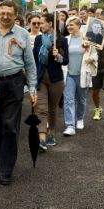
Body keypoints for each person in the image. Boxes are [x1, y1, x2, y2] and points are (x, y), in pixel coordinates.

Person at [0, 0, 37, 185]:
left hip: (14, 84)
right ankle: (0, 152)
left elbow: (30, 63)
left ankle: (6, 169)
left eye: (9, 14)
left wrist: (32, 88)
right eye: (2, 13)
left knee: (10, 127)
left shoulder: (22, 34)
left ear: (16, 16)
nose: (5, 16)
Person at [32, 13, 68, 150]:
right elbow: (34, 59)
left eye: (42, 23)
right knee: (41, 109)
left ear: (51, 23)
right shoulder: (38, 39)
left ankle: (51, 133)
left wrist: (58, 56)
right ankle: (42, 139)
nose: (40, 26)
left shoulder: (61, 40)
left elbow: (66, 61)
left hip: (56, 79)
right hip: (40, 78)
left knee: (52, 109)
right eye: (39, 23)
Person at [63, 17, 97, 136]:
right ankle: (70, 125)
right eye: (68, 26)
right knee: (68, 99)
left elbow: (95, 54)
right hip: (69, 74)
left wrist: (91, 58)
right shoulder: (66, 40)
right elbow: (63, 56)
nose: (69, 27)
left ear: (78, 25)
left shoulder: (87, 39)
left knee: (81, 100)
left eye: (71, 25)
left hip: (82, 73)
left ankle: (80, 118)